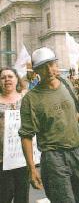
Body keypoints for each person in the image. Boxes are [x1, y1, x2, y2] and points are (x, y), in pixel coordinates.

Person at [19, 47, 79, 203]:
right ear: (36, 71)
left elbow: (75, 113)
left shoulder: (67, 84)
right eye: (43, 67)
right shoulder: (30, 99)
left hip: (78, 151)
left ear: (56, 64)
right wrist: (32, 169)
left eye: (51, 64)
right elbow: (26, 136)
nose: (49, 70)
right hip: (53, 158)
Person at [0, 67, 29, 203]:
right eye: (3, 77)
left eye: (10, 76)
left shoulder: (26, 99)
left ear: (17, 79)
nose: (7, 80)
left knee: (22, 195)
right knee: (4, 194)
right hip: (1, 158)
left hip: (22, 156)